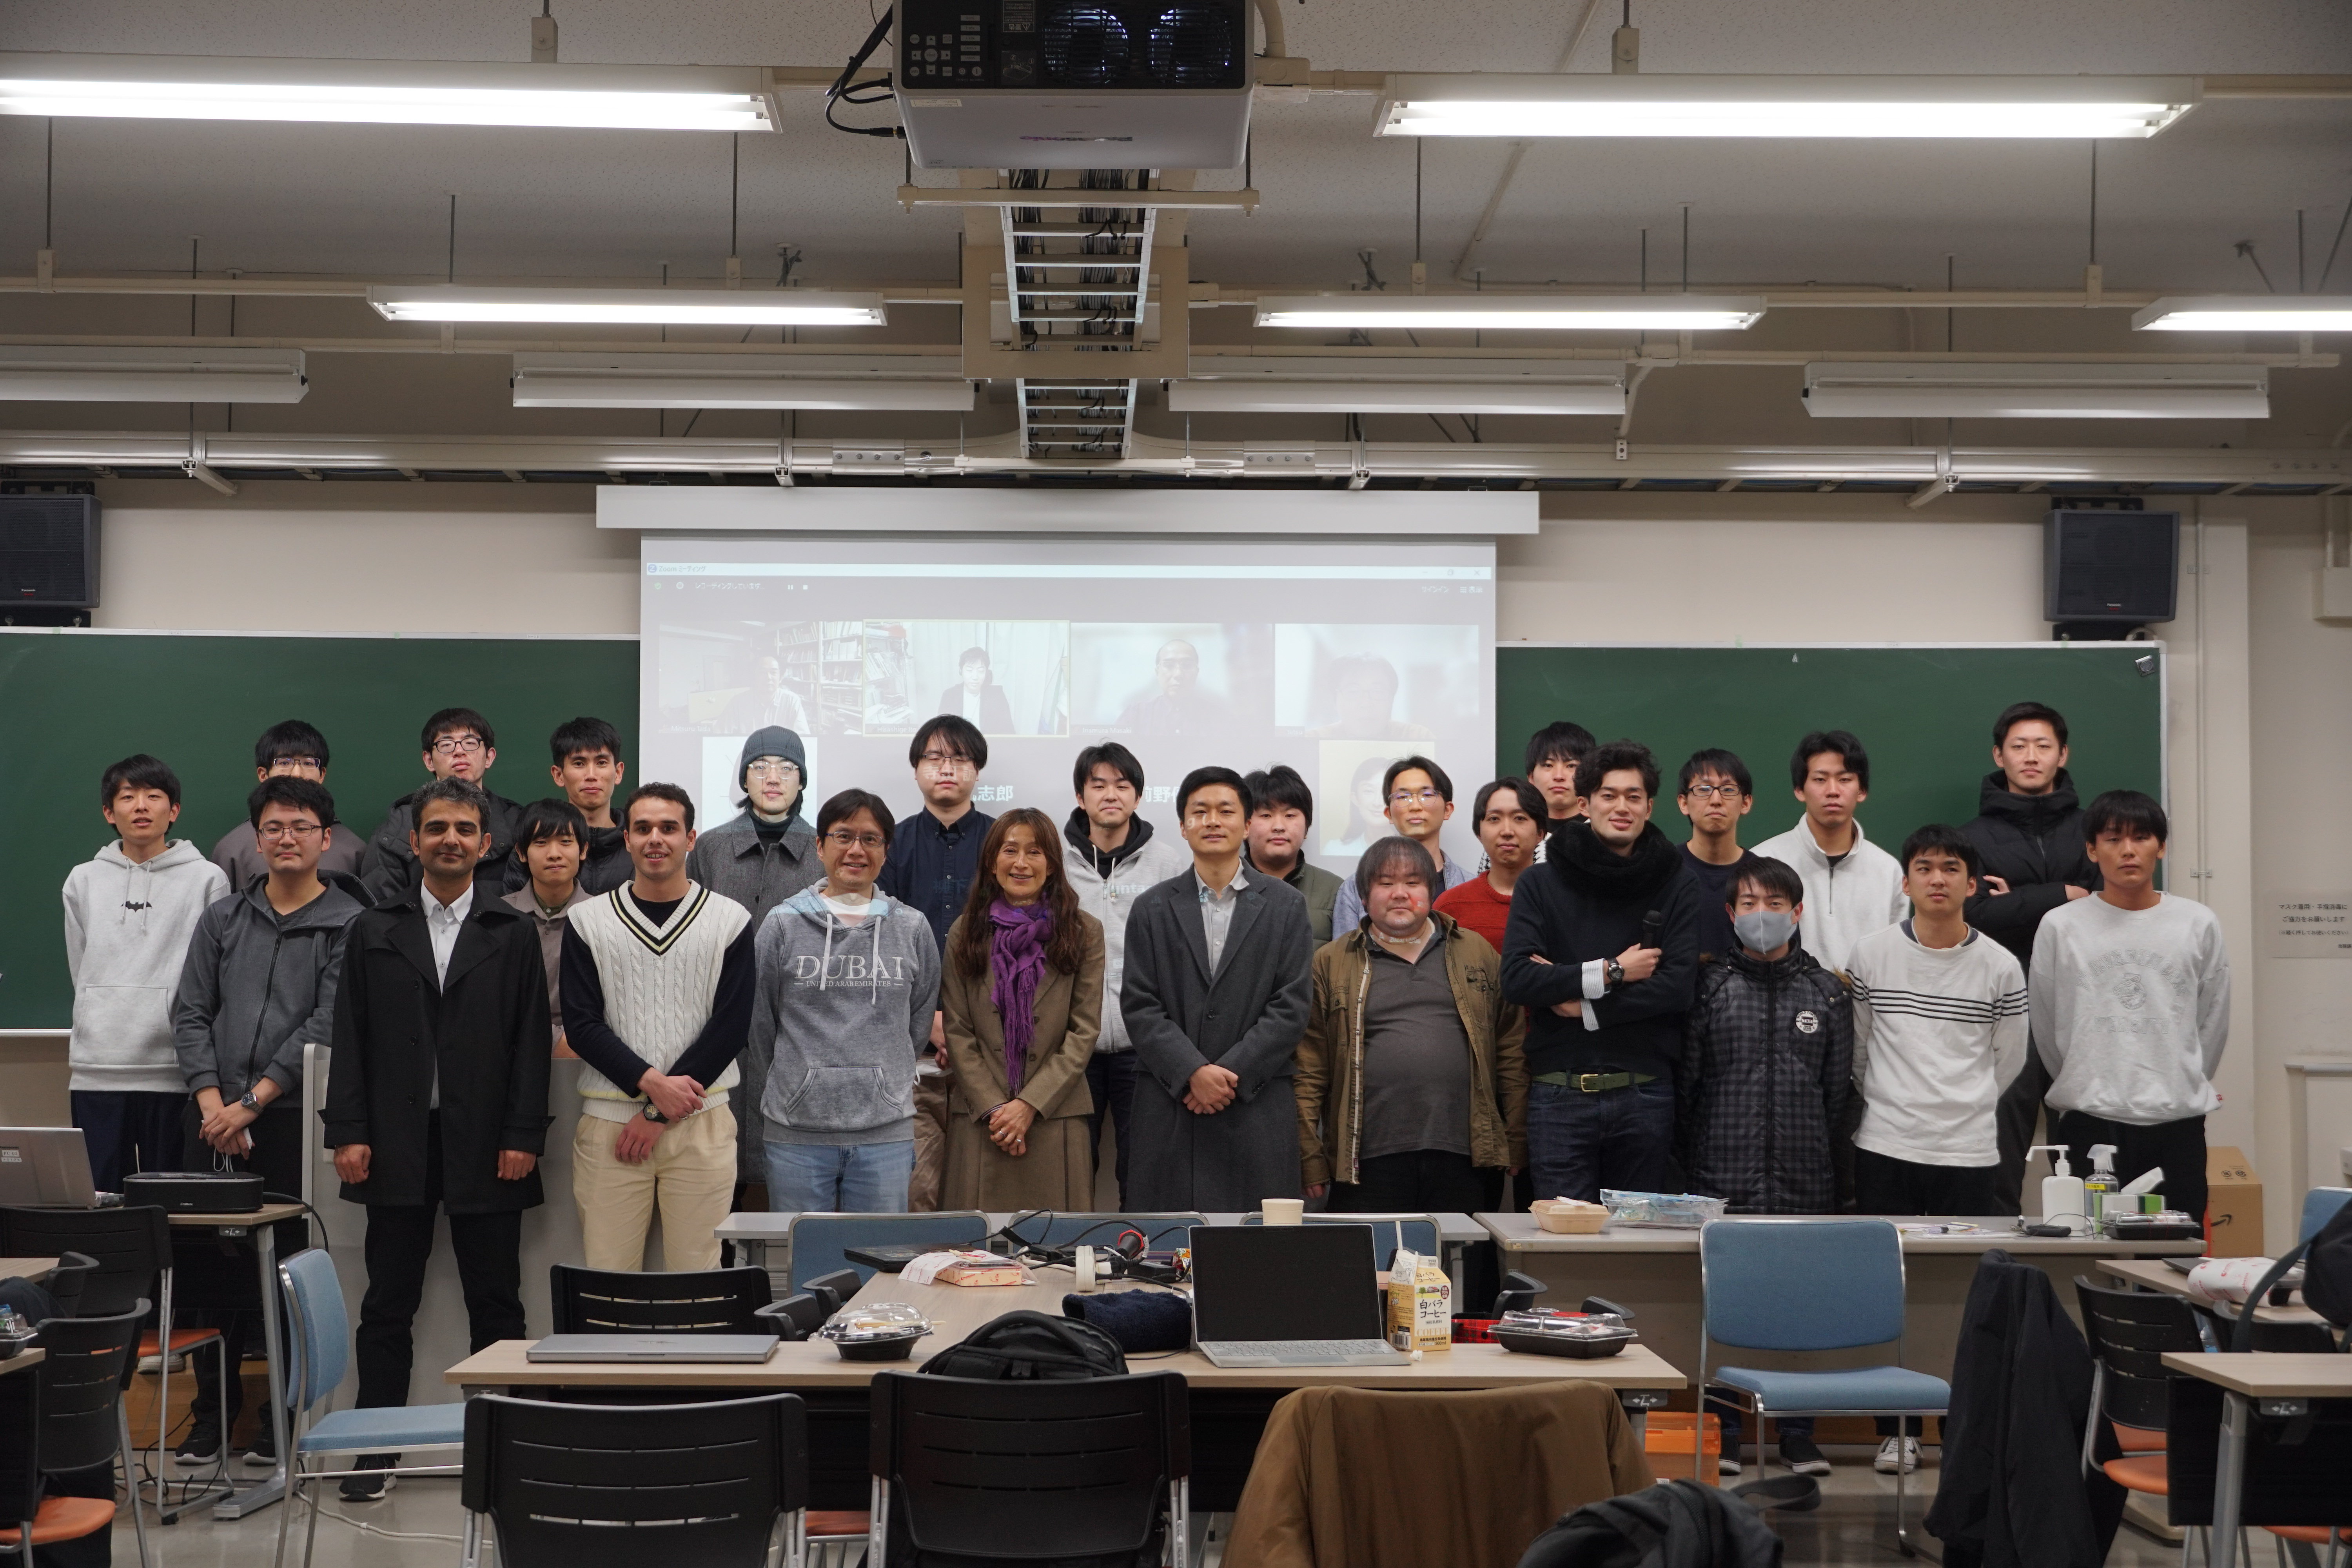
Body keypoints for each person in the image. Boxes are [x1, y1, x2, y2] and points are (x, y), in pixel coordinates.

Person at [323, 778, 550, 1501]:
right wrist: (348, 1132)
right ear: (414, 841)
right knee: (388, 1305)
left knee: (499, 1303)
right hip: (395, 1143)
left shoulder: (512, 932)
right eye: (437, 828)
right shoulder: (374, 928)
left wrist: (523, 1134)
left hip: (490, 1144)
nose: (450, 839)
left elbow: (530, 1046)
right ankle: (374, 1450)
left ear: (488, 845)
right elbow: (351, 1038)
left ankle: (505, 1447)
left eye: (464, 829)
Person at [170, 775, 366, 1466]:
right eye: (275, 828)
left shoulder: (350, 922)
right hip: (210, 1118)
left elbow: (326, 1022)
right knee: (207, 1274)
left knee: (286, 1272)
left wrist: (252, 1102)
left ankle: (284, 1417)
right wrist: (213, 1104)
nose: (287, 838)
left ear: (326, 839)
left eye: (302, 827)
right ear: (256, 840)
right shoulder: (224, 918)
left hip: (291, 1119)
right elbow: (190, 1013)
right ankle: (211, 1414)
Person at [1847, 824, 2027, 1475]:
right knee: (1885, 1296)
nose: (1938, 879)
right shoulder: (1872, 955)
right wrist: (1899, 1105)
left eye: (1951, 868)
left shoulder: (2001, 965)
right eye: (1925, 867)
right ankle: (1897, 1430)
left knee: (1962, 1299)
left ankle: (1962, 1431)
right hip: (1886, 1146)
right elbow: (1860, 1050)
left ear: (1972, 884)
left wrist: (1962, 1106)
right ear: (1906, 881)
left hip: (1968, 1153)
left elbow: (2010, 1061)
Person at [1679, 854, 1851, 1478]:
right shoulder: (1710, 987)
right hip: (1722, 1174)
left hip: (1806, 1178)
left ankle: (1797, 1435)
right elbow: (1689, 1085)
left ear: (1797, 912)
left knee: (1802, 1309)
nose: (1762, 915)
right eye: (1749, 904)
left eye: (1775, 904)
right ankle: (1726, 1433)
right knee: (1727, 1308)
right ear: (1730, 914)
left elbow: (1838, 1093)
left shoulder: (1827, 991)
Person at [561, 784, 753, 1272]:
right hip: (610, 1124)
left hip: (702, 1122)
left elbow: (731, 1028)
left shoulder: (730, 920)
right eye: (643, 828)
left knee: (699, 1278)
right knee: (608, 1277)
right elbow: (582, 1025)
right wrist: (652, 1088)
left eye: (669, 828)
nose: (655, 839)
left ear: (691, 838)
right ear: (626, 839)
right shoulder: (587, 920)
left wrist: (656, 1113)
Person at [1500, 740, 1701, 1203]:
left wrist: (1585, 1007)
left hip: (1645, 1092)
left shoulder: (1676, 881)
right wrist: (1612, 971)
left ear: (1650, 807)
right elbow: (1519, 978)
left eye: (1634, 796)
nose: (1622, 807)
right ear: (1584, 804)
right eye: (1608, 795)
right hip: (1560, 1092)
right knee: (1562, 1238)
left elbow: (1675, 988)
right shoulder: (1540, 881)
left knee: (1637, 1239)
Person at [1297, 836, 1527, 1214]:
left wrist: (1516, 1138)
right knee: (1371, 1254)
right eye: (1386, 883)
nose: (1400, 893)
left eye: (1413, 882)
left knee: (1461, 1253)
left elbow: (1511, 1051)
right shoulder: (1331, 962)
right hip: (1365, 1158)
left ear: (1433, 891)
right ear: (1364, 896)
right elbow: (1310, 1068)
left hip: (1466, 1153)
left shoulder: (1476, 952)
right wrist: (1310, 1155)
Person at [1120, 767, 1316, 1210]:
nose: (1212, 821)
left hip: (1255, 1102)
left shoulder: (1287, 906)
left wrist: (1229, 1074)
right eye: (1200, 812)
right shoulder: (1151, 907)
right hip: (1172, 1103)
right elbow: (1139, 1005)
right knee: (1168, 1240)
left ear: (1246, 825)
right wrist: (1192, 1070)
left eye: (1226, 811)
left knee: (1255, 1243)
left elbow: (1291, 1006)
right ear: (1183, 826)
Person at [2031, 791, 2229, 1227]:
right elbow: (2046, 1021)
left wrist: (2181, 1076)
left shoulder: (2196, 923)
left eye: (2141, 837)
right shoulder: (2061, 926)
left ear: (2161, 847)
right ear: (2091, 849)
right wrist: (2085, 1077)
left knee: (2176, 1250)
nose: (2127, 850)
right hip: (2090, 1118)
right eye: (2113, 838)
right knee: (2092, 1245)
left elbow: (2213, 1018)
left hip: (2175, 1119)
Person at [751, 789, 940, 1212]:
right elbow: (760, 1023)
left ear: (886, 851)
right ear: (820, 846)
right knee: (802, 1252)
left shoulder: (912, 928)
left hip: (886, 1134)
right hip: (796, 1134)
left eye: (870, 839)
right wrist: (799, 1086)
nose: (856, 850)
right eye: (843, 836)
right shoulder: (782, 925)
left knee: (880, 1253)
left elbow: (917, 1022)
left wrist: (884, 1082)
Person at [1961, 702, 2100, 1214]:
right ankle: (1993, 1245)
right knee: (2002, 1133)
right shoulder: (1972, 838)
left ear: (2063, 754)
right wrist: (2062, 893)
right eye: (2018, 746)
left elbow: (2109, 907)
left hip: (2084, 1000)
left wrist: (2015, 902)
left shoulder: (2095, 831)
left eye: (2043, 746)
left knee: (2086, 1136)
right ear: (1999, 755)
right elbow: (1973, 915)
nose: (2031, 756)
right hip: (2007, 1001)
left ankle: (2091, 1241)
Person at [65, 755, 227, 1191]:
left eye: (154, 796)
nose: (141, 806)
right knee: (100, 1201)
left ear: (174, 811)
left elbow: (212, 977)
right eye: (128, 797)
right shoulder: (82, 881)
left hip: (174, 1071)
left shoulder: (208, 880)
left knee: (171, 1202)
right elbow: (80, 966)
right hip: (97, 1068)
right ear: (109, 812)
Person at [938, 809, 1106, 1208]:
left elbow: (1084, 1031)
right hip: (983, 1116)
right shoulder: (965, 931)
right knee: (976, 1243)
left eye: (1035, 852)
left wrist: (1029, 1105)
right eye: (1010, 850)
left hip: (1054, 1113)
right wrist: (998, 1109)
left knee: (1058, 1243)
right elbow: (958, 1030)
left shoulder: (1083, 931)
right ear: (991, 861)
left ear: (1052, 865)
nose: (1021, 863)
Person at [686, 726, 825, 1204]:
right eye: (760, 767)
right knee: (713, 1171)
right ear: (744, 779)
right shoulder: (710, 848)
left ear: (802, 781)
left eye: (787, 769)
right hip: (715, 1017)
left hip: (798, 1025)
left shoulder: (823, 850)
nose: (773, 777)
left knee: (787, 1177)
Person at [876, 715, 996, 1210]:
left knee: (981, 1191)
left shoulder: (1003, 843)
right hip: (913, 1053)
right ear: (916, 769)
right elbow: (881, 946)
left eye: (960, 758)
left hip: (990, 1049)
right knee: (916, 1192)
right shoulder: (891, 845)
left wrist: (963, 1025)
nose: (947, 768)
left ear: (977, 770)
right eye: (935, 758)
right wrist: (930, 1021)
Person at [1063, 743, 1189, 1207]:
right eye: (1098, 785)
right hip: (1072, 1045)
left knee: (1143, 1168)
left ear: (1138, 796)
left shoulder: (1168, 863)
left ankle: (1140, 1247)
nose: (1111, 794)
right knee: (1073, 1167)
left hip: (1145, 1046)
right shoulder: (1056, 861)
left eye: (1122, 785)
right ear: (1081, 797)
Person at [1750, 731, 1906, 978]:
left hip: (1866, 1002)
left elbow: (1897, 957)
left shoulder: (1888, 870)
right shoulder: (1762, 862)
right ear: (1800, 790)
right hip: (1785, 1000)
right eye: (1820, 779)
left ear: (1862, 791)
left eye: (1845, 779)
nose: (1833, 791)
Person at [361, 708, 523, 906]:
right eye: (446, 745)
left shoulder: (518, 825)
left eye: (470, 743)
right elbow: (382, 914)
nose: (459, 751)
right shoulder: (394, 832)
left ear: (489, 757)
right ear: (429, 761)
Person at [210, 719, 367, 885]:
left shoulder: (354, 852)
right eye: (284, 763)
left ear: (322, 775)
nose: (297, 774)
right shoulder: (232, 850)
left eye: (308, 763)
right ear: (263, 775)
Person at [1330, 756, 1477, 933]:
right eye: (1403, 797)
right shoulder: (1355, 887)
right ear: (1389, 814)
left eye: (1427, 795)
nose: (1415, 806)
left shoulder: (1472, 887)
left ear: (1447, 810)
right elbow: (1345, 949)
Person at [504, 798, 589, 1055]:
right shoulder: (499, 917)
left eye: (566, 842)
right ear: (521, 853)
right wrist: (553, 1041)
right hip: (512, 1054)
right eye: (541, 843)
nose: (554, 854)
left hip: (586, 1054)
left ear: (583, 850)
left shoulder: (605, 917)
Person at [511, 716, 630, 896]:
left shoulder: (637, 844)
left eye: (602, 763)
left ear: (618, 772)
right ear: (559, 775)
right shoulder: (531, 845)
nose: (591, 775)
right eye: (579, 764)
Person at [1433, 777, 1545, 953]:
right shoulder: (1450, 906)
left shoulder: (1563, 901)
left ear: (1541, 833)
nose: (1507, 831)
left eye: (1519, 818)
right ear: (1479, 832)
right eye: (1494, 819)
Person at [1676, 750, 1762, 967]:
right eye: (1703, 789)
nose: (1716, 800)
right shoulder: (1662, 871)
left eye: (1728, 790)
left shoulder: (1765, 878)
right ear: (1684, 803)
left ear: (1746, 803)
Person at [1243, 764, 1345, 943]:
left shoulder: (1335, 890)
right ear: (1245, 826)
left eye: (1290, 815)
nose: (1279, 826)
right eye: (1266, 815)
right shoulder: (1224, 887)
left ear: (1307, 827)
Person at [1305, 654, 1433, 741]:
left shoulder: (1417, 737)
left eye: (1378, 692)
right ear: (1335, 701)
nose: (1366, 704)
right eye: (1353, 692)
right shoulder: (1314, 740)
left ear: (1392, 700)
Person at [1115, 638, 1218, 735]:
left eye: (1187, 665)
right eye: (1169, 666)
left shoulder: (1217, 716)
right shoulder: (1136, 715)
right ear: (1157, 672)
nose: (1178, 674)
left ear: (1197, 672)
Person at [1524, 720, 1596, 831]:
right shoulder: (1519, 833)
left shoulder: (1604, 833)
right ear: (1531, 777)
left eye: (1571, 766)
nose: (1559, 776)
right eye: (1548, 765)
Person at [1321, 755, 1398, 857]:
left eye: (1384, 792)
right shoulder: (1335, 850)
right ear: (1355, 798)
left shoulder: (1412, 849)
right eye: (1369, 791)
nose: (1377, 803)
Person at [938, 646, 1016, 734]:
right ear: (961, 671)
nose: (975, 677)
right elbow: (941, 731)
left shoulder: (996, 696)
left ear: (986, 672)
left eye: (980, 671)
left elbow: (1009, 732)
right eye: (969, 670)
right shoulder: (950, 696)